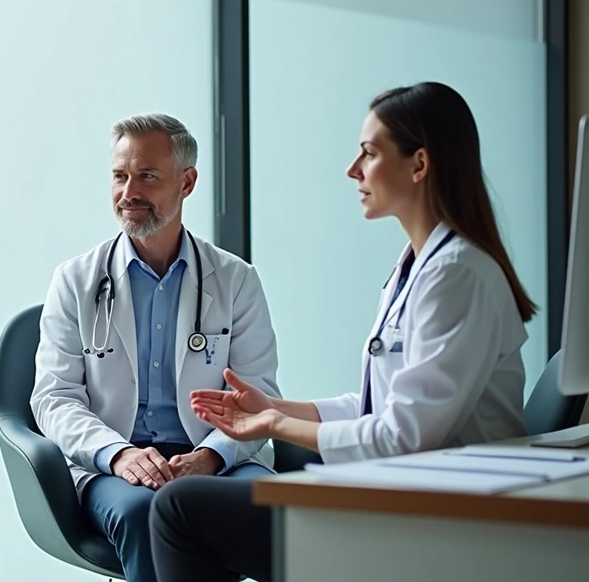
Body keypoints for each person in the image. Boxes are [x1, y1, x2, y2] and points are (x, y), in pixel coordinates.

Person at [149, 81, 533, 582]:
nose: (353, 170)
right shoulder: (417, 267)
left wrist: (274, 427)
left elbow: (404, 435)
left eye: (369, 154)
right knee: (184, 505)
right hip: (396, 494)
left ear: (419, 165)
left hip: (434, 520)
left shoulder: (457, 274)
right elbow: (378, 405)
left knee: (180, 509)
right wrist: (274, 408)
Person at [30, 112, 282, 582]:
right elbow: (54, 398)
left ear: (187, 182)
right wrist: (118, 454)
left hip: (218, 460)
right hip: (113, 464)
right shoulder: (75, 281)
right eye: (120, 176)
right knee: (146, 515)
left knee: (269, 510)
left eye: (147, 176)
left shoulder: (236, 281)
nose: (129, 193)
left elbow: (258, 396)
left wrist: (209, 458)